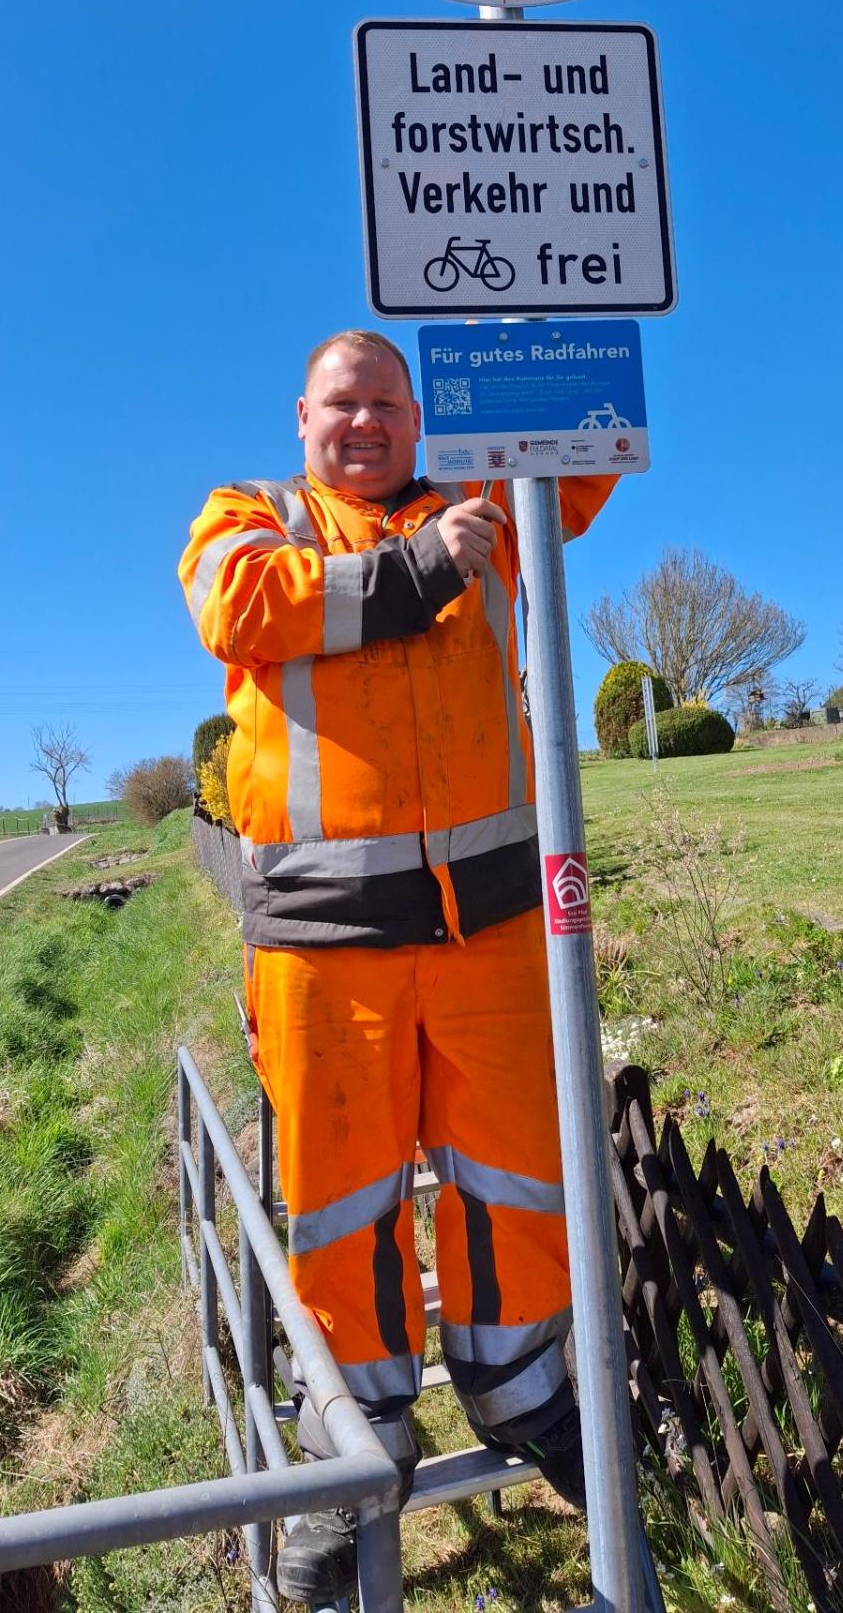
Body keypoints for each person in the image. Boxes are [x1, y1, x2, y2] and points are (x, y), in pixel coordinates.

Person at [179, 329, 615, 1602]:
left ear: (420, 420)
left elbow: (583, 451)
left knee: (518, 1172)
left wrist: (572, 288)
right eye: (339, 406)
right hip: (326, 950)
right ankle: (350, 1440)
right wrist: (423, 567)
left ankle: (521, 1387)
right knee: (340, 1200)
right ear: (300, 416)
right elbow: (244, 607)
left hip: (487, 930)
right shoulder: (248, 516)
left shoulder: (493, 507)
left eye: (383, 405)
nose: (361, 425)